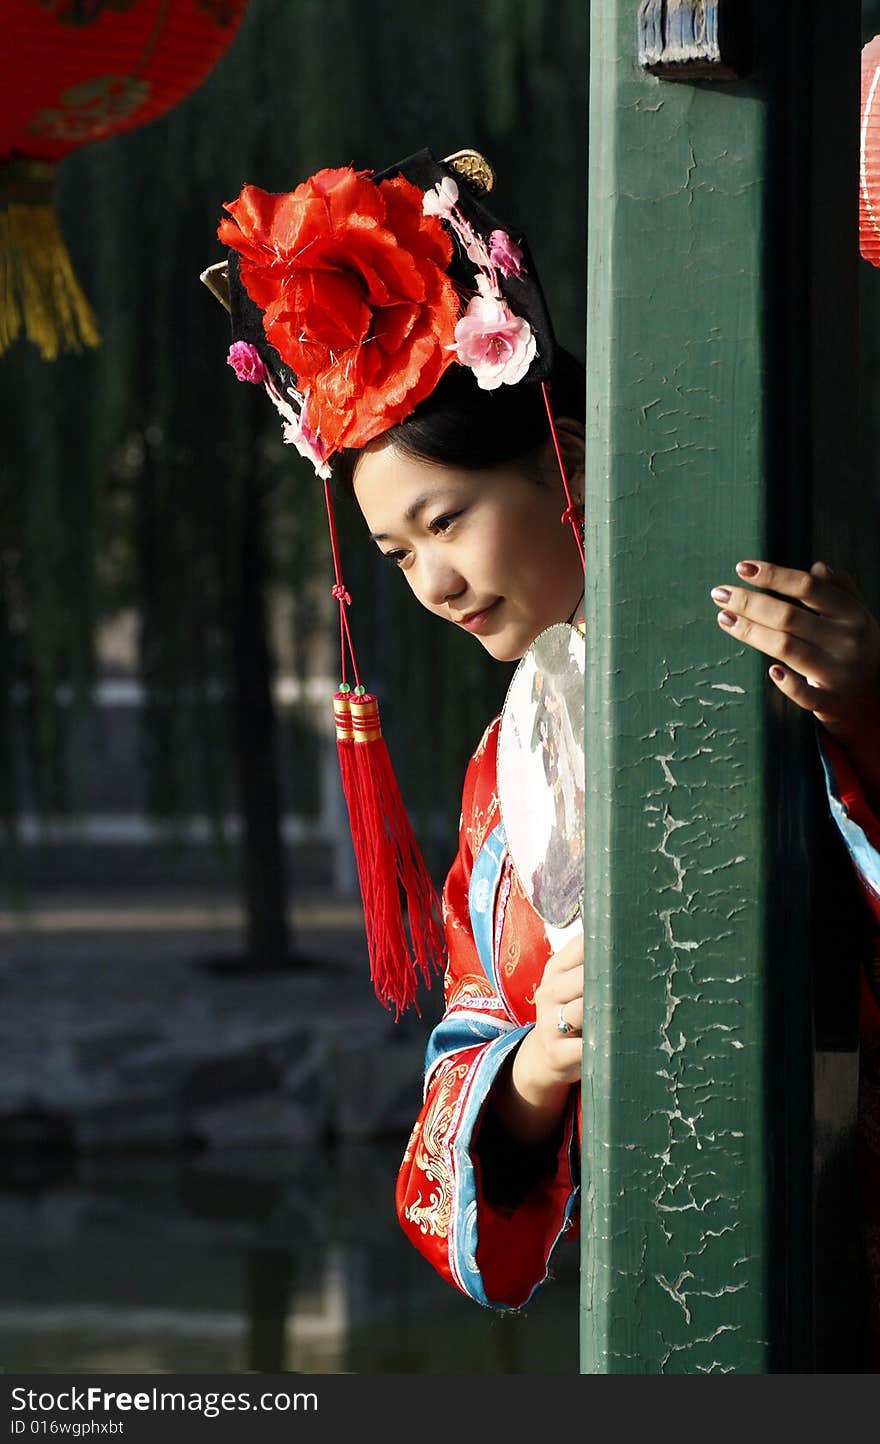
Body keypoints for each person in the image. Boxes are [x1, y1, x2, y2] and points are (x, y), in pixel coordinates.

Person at [202, 149, 880, 1337]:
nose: (432, 582)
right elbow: (468, 1043)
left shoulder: (783, 627)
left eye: (446, 520)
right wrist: (536, 1067)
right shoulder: (500, 775)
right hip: (675, 1292)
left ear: (558, 444)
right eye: (398, 555)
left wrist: (861, 706)